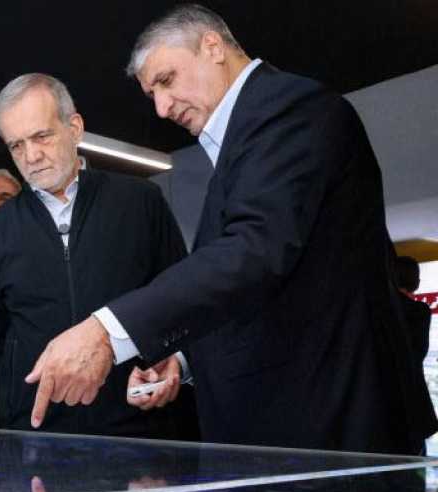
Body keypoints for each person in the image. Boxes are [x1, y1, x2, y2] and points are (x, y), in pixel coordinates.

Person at [28, 4, 436, 454]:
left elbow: (252, 252)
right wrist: (184, 359)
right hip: (295, 425)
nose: (162, 108)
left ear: (212, 46)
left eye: (167, 80)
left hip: (335, 424)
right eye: (152, 94)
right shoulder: (249, 135)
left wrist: (106, 331)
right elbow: (258, 295)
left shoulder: (289, 110)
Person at [0, 73, 190, 437]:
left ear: (75, 128)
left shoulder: (140, 201)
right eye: (16, 145)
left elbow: (183, 298)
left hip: (139, 426)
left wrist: (175, 360)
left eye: (41, 136)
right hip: (39, 433)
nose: (31, 156)